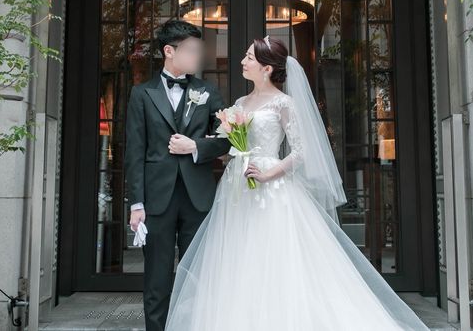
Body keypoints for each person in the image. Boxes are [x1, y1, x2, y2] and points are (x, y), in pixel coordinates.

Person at [164, 35, 431, 331]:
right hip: (238, 186)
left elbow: (300, 152)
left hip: (270, 186)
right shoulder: (239, 103)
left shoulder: (283, 103)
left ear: (267, 68)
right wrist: (223, 152)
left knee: (274, 255)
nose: (242, 61)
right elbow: (232, 145)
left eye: (249, 57)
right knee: (240, 256)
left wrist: (269, 174)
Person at [124, 19, 231, 331]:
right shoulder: (142, 94)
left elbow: (226, 139)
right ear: (169, 51)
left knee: (195, 277)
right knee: (156, 279)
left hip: (198, 198)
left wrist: (195, 146)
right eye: (191, 50)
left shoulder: (207, 92)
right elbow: (135, 152)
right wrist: (136, 203)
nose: (198, 56)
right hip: (157, 200)